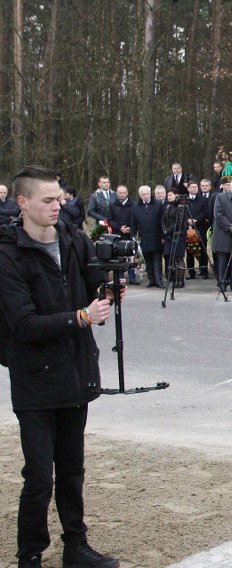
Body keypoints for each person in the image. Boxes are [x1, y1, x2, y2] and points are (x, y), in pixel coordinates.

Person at [0, 165, 121, 568]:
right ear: (23, 203)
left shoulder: (74, 239)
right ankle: (30, 554)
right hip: (35, 380)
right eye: (48, 200)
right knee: (38, 476)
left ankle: (76, 547)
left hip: (76, 372)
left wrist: (108, 292)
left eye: (60, 198)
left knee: (72, 470)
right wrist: (82, 317)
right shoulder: (7, 252)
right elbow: (23, 324)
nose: (58, 206)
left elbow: (90, 290)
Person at [212, 178, 232, 292]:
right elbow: (218, 215)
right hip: (223, 233)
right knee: (222, 261)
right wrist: (229, 226)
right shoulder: (220, 197)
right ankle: (222, 283)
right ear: (230, 187)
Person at [131, 185, 164, 288]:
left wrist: (163, 236)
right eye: (143, 194)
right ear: (140, 195)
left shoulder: (158, 204)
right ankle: (152, 280)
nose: (145, 196)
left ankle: (159, 280)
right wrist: (133, 237)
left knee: (157, 261)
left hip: (156, 237)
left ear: (150, 193)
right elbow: (133, 223)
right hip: (143, 238)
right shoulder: (135, 206)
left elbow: (162, 221)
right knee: (147, 260)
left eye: (147, 194)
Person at [106, 185, 140, 285]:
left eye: (124, 193)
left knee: (131, 255)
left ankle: (132, 277)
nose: (122, 195)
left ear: (127, 193)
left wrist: (130, 228)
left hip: (130, 233)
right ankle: (120, 277)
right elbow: (109, 220)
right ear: (117, 193)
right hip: (118, 234)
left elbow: (136, 219)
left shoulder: (133, 205)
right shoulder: (112, 205)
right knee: (119, 256)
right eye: (120, 193)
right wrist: (120, 227)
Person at [161, 188, 188, 289]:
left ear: (176, 195)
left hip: (179, 234)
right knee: (172, 258)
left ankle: (181, 280)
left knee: (179, 257)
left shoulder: (180, 206)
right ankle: (175, 279)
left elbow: (179, 221)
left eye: (171, 195)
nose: (169, 197)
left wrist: (167, 230)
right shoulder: (168, 206)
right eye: (168, 195)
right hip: (169, 236)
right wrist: (164, 231)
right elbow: (163, 219)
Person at [185, 181, 211, 280]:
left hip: (200, 227)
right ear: (188, 188)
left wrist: (196, 220)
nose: (194, 189)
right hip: (188, 228)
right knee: (190, 251)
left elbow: (206, 212)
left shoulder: (203, 199)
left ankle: (204, 271)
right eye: (192, 187)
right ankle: (191, 272)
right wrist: (188, 220)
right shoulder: (185, 200)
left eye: (195, 187)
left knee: (202, 250)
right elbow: (182, 212)